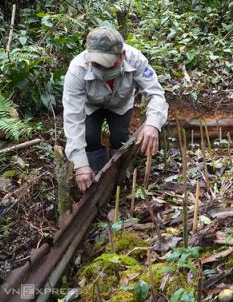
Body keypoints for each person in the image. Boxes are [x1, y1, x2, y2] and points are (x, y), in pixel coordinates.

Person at [63, 27, 169, 192]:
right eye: (98, 65)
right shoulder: (77, 69)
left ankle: (119, 176)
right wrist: (80, 164)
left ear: (122, 55)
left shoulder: (136, 59)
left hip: (120, 104)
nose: (104, 70)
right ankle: (96, 176)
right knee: (89, 136)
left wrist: (153, 124)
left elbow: (155, 93)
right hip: (91, 106)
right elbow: (72, 117)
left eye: (109, 64)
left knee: (120, 137)